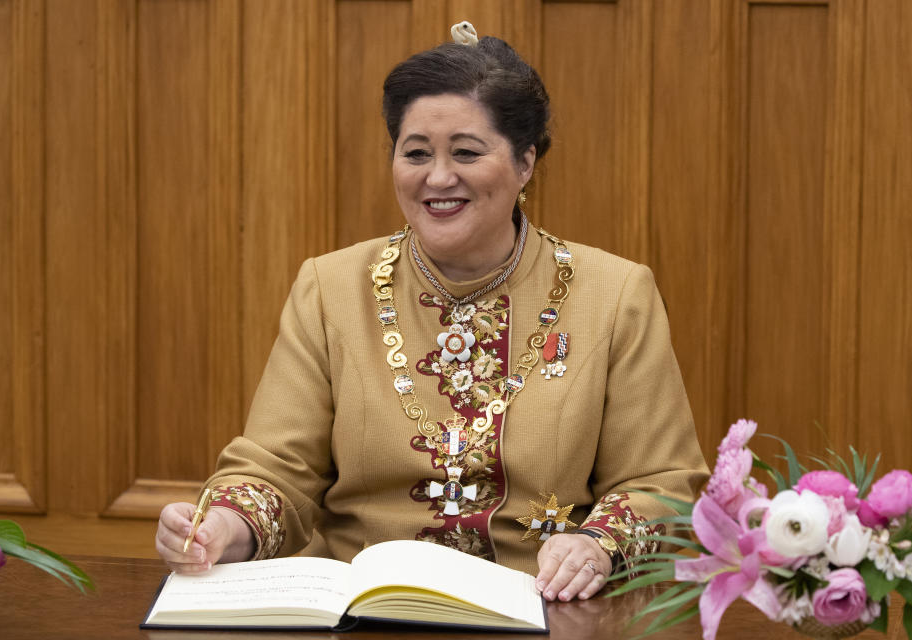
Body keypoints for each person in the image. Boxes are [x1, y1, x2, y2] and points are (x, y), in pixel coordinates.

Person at [155, 21, 708, 603]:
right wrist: (223, 528)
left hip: (540, 606)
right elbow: (276, 468)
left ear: (524, 164)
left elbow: (661, 482)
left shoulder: (616, 293)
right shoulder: (331, 287)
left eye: (466, 152)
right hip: (359, 605)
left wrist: (597, 544)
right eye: (415, 153)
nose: (438, 178)